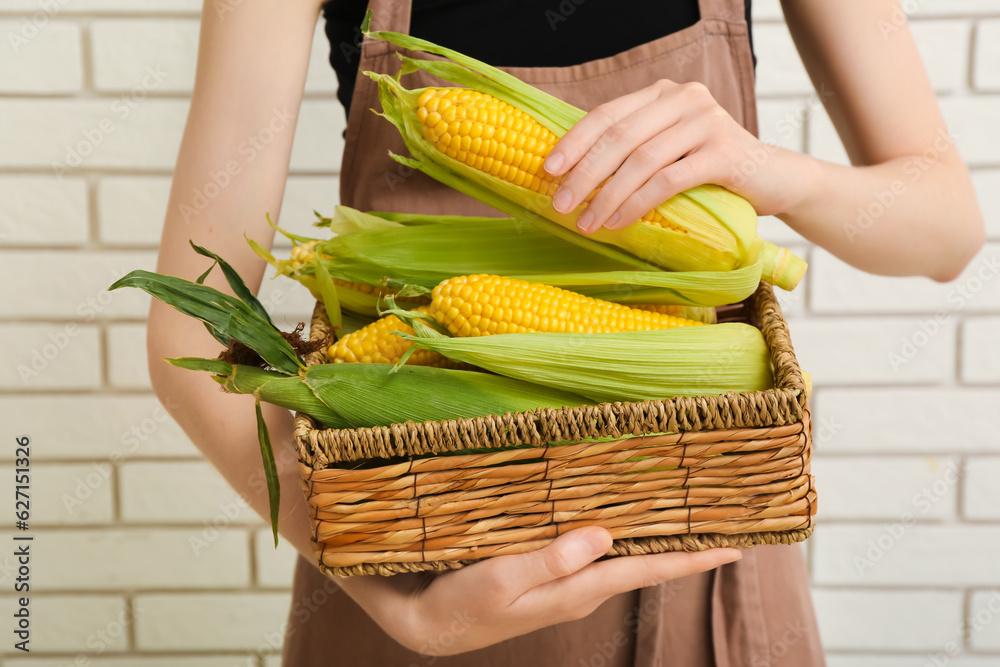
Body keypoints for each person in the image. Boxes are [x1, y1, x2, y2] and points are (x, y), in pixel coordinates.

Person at [146, 0, 985, 664]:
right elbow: (188, 332)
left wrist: (775, 174)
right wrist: (401, 607)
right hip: (423, 560)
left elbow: (947, 226)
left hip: (704, 557)